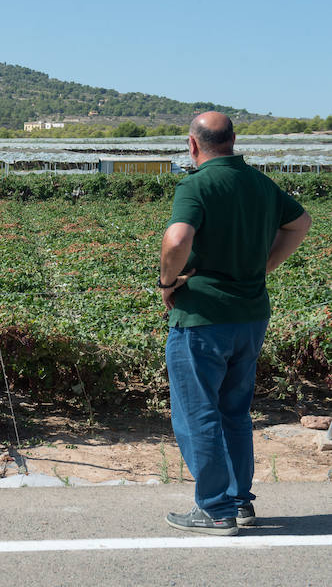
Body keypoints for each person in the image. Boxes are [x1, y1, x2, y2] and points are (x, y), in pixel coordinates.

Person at [159, 111, 311, 536]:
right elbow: (300, 224)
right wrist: (264, 267)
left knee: (197, 413)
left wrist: (167, 282)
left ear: (193, 145)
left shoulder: (197, 184)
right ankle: (239, 503)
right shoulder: (260, 183)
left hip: (204, 316)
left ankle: (214, 509)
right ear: (232, 140)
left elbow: (176, 239)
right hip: (250, 316)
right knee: (235, 412)